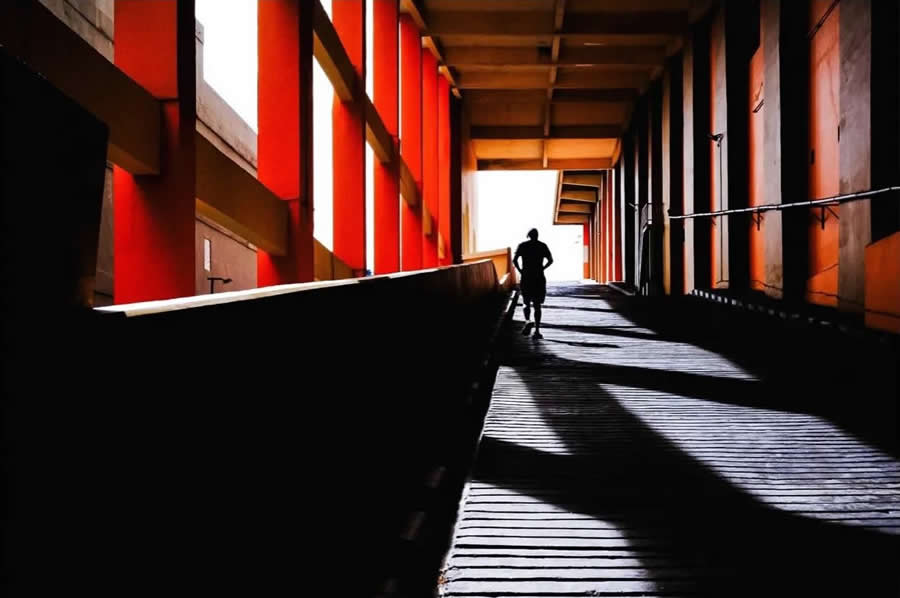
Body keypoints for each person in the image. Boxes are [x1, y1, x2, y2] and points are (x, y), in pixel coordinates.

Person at [513, 228, 553, 339]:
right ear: (537, 235)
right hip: (539, 277)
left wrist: (520, 270)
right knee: (537, 305)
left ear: (529, 236)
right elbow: (550, 260)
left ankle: (527, 321)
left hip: (526, 277)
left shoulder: (522, 245)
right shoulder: (542, 246)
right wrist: (542, 268)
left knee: (526, 302)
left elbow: (514, 260)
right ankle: (537, 331)